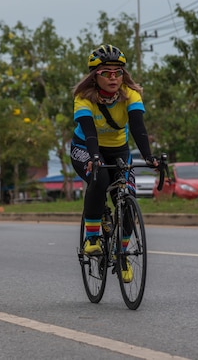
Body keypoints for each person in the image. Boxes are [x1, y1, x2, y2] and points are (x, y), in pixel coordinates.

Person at [70, 44, 158, 284]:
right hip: (86, 148)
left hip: (119, 149)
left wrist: (150, 157)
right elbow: (89, 133)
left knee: (129, 197)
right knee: (100, 180)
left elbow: (139, 129)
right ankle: (92, 239)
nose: (113, 78)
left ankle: (122, 254)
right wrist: (94, 158)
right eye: (106, 73)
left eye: (118, 72)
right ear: (94, 76)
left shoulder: (131, 94)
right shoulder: (83, 97)